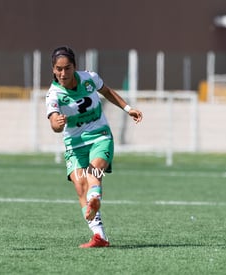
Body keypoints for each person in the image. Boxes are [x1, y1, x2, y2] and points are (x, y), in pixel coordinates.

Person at [46, 46, 143, 248]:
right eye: (59, 69)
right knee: (80, 186)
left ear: (74, 67)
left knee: (93, 172)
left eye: (67, 68)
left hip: (100, 136)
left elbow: (107, 92)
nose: (63, 73)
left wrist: (128, 108)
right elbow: (54, 124)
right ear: (53, 69)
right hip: (74, 144)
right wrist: (59, 123)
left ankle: (94, 197)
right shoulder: (53, 94)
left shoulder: (89, 78)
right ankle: (100, 236)